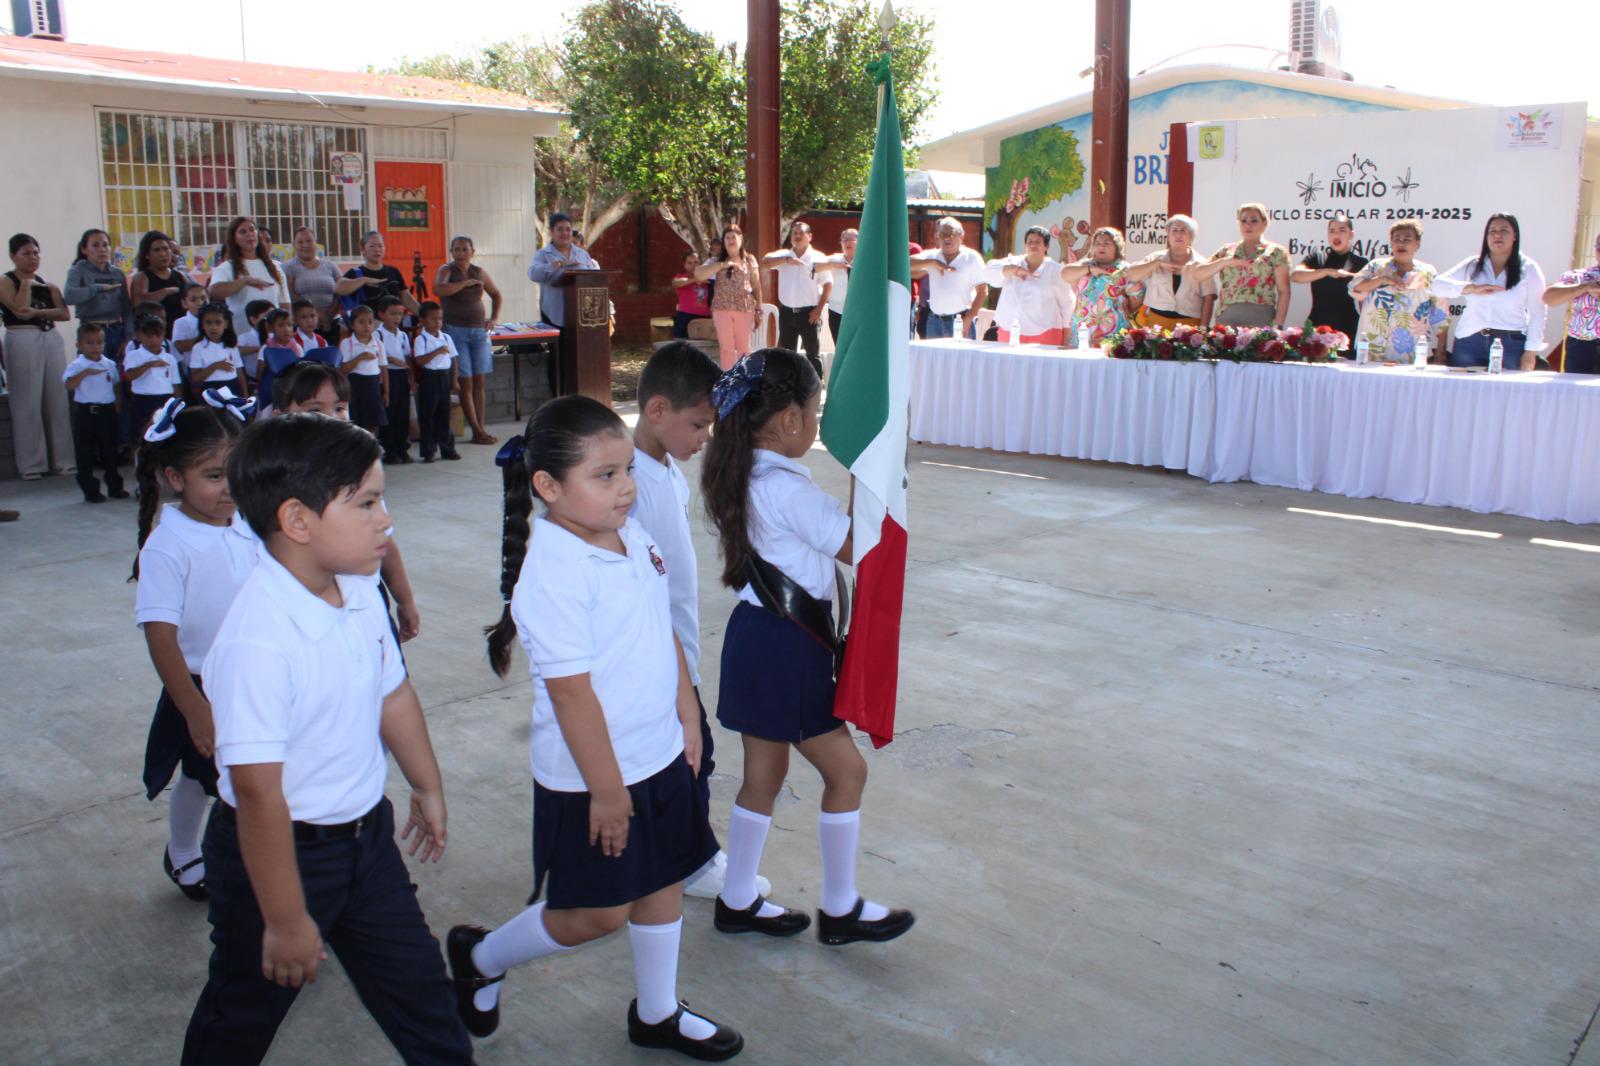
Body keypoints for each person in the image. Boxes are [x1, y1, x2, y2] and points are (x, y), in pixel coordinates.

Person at [450, 395, 744, 1061]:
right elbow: (574, 696)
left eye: (627, 471)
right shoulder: (552, 573)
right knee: (595, 914)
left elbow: (656, 621)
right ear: (549, 488)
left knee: (663, 877)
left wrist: (687, 710)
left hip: (659, 750)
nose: (626, 489)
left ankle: (658, 1011)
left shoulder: (627, 533)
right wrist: (607, 793)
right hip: (591, 776)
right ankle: (484, 955)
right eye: (605, 476)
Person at [180, 413, 472, 1065]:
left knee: (425, 1002)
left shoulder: (362, 587)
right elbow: (258, 797)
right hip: (277, 860)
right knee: (242, 1015)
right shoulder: (257, 641)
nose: (385, 521)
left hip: (366, 842)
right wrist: (284, 919)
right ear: (297, 521)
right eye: (367, 503)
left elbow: (391, 692)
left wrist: (426, 785)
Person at [699, 349, 915, 948]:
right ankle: (841, 906)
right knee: (847, 772)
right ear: (789, 420)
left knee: (762, 776)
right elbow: (858, 548)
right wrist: (869, 471)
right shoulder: (787, 491)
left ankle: (738, 896)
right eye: (816, 410)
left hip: (756, 638)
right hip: (790, 647)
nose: (818, 420)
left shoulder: (744, 472)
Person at [629, 342, 766, 902]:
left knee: (691, 759)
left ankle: (688, 854)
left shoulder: (665, 468)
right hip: (655, 660)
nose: (704, 437)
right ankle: (694, 861)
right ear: (657, 410)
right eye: (698, 424)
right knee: (692, 758)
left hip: (679, 648)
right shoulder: (623, 484)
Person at [131, 396, 252, 903]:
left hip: (252, 675)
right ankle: (183, 850)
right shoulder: (167, 546)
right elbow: (160, 636)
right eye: (214, 476)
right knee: (203, 779)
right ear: (175, 478)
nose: (229, 489)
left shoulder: (247, 522)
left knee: (252, 775)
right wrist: (194, 708)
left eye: (236, 473)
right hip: (201, 686)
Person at [1434, 213, 1548, 370]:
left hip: (1510, 343)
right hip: (1469, 341)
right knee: (1466, 392)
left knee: (1506, 393)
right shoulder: (1473, 264)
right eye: (1492, 231)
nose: (1497, 235)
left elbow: (1538, 311)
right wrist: (1470, 288)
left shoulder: (1528, 268)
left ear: (1515, 235)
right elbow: (1437, 285)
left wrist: (1531, 351)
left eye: (1504, 230)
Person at [2, 233, 74, 479]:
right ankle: (32, 464)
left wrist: (37, 308)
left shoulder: (46, 283)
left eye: (35, 253)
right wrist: (25, 283)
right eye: (26, 254)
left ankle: (63, 459)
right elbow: (19, 309)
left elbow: (63, 314)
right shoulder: (6, 281)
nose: (33, 258)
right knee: (27, 402)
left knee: (56, 399)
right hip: (22, 338)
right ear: (13, 256)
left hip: (48, 336)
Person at [434, 235, 502, 446]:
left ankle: (479, 430)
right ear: (451, 252)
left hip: (478, 332)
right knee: (466, 382)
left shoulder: (479, 272)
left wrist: (494, 318)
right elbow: (439, 289)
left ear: (473, 252)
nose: (460, 253)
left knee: (480, 382)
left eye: (465, 249)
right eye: (456, 249)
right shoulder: (447, 270)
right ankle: (477, 429)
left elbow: (496, 294)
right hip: (456, 332)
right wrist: (463, 284)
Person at [1347, 219, 1446, 362]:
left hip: (1410, 351)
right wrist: (1381, 280)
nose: (1401, 243)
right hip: (1372, 349)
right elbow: (1353, 287)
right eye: (1396, 239)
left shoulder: (1428, 272)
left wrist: (1440, 352)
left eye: (1407, 239)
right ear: (1391, 242)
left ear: (1417, 244)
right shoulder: (1376, 266)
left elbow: (1441, 316)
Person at [1191, 203, 1291, 328]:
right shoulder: (1227, 250)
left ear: (1265, 223)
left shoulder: (1276, 252)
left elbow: (1284, 291)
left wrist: (1278, 325)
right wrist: (1226, 261)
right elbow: (1198, 274)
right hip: (1227, 319)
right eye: (1243, 221)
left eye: (1254, 221)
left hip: (1261, 319)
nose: (1248, 225)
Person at [60, 322, 127, 502]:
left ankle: (115, 487)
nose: (95, 347)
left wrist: (117, 407)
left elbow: (116, 386)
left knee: (110, 452)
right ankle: (91, 490)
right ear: (79, 346)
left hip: (106, 412)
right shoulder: (77, 365)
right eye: (89, 343)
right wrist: (85, 373)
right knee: (85, 453)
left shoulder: (109, 364)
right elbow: (68, 385)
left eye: (99, 342)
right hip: (86, 412)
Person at [984, 225, 1076, 345]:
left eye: (1037, 242)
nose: (1033, 244)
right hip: (1009, 330)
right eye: (1029, 241)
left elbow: (1067, 303)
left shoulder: (1056, 270)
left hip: (1046, 333)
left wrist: (1067, 335)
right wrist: (1015, 270)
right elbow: (988, 272)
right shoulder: (1013, 262)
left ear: (1046, 246)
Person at [762, 221, 831, 376]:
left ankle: (815, 389)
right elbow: (765, 262)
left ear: (810, 236)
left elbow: (828, 285)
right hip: (786, 312)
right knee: (786, 354)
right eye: (795, 233)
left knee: (812, 354)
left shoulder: (818, 257)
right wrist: (786, 260)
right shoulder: (784, 256)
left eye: (801, 233)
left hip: (809, 313)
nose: (797, 236)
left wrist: (818, 310)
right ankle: (788, 387)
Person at [1291, 213, 1367, 353]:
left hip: (1348, 328)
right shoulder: (1317, 257)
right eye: (1331, 231)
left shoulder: (1361, 263)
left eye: (1341, 230)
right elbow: (1296, 276)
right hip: (1317, 325)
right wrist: (1327, 271)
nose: (1336, 235)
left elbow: (1365, 301)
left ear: (1351, 234)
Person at [1123, 215, 1211, 330]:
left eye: (1183, 230)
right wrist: (1156, 264)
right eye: (1174, 230)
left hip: (1189, 326)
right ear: (1168, 235)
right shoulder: (1155, 257)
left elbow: (1208, 297)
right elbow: (1131, 275)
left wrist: (1203, 328)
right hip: (1157, 324)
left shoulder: (1201, 263)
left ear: (1191, 236)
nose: (1178, 234)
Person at [697, 224, 765, 371]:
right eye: (727, 237)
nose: (730, 240)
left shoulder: (749, 260)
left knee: (744, 349)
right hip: (722, 309)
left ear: (741, 239)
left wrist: (759, 308)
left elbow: (756, 285)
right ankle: (727, 382)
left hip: (744, 309)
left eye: (734, 236)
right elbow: (698, 274)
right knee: (726, 349)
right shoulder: (716, 261)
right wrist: (723, 265)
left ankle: (743, 381)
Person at [207, 218, 289, 337]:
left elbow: (285, 303)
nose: (249, 234)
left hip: (273, 339)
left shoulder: (275, 266)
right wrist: (245, 281)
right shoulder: (227, 267)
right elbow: (214, 292)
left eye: (252, 229)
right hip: (241, 337)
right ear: (234, 238)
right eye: (243, 232)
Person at [1061, 227, 1140, 345]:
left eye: (1106, 243)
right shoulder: (1085, 265)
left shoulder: (1125, 270)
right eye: (1097, 243)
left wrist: (1122, 309)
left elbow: (1138, 297)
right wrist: (1090, 269)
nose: (1101, 247)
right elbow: (1064, 274)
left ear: (1117, 247)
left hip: (1114, 333)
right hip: (1083, 332)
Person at [910, 218, 987, 339]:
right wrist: (932, 263)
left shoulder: (971, 257)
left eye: (951, 234)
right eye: (942, 234)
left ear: (961, 237)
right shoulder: (932, 255)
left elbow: (983, 291)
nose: (947, 238)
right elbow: (905, 263)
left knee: (962, 359)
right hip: (934, 322)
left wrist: (969, 318)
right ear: (937, 237)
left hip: (960, 321)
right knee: (934, 359)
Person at [65, 228, 133, 363]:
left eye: (105, 245)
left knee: (116, 376)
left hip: (116, 329)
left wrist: (128, 337)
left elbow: (126, 308)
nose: (102, 249)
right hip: (91, 331)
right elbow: (69, 296)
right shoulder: (78, 270)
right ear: (84, 249)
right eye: (95, 245)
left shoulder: (117, 273)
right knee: (93, 374)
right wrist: (97, 288)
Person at [527, 213, 600, 330]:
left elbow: (593, 277)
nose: (564, 233)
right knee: (559, 348)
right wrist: (554, 266)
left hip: (582, 314)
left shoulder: (582, 254)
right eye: (560, 229)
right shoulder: (543, 254)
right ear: (552, 231)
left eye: (568, 229)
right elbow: (533, 274)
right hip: (553, 314)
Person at [410, 301, 461, 463]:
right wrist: (437, 351)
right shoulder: (421, 339)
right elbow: (420, 361)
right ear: (423, 320)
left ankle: (448, 449)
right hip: (429, 378)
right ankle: (428, 450)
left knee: (444, 415)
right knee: (428, 415)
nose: (437, 322)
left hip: (444, 377)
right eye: (433, 319)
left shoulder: (446, 337)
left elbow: (453, 360)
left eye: (440, 319)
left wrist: (454, 381)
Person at [1544, 232, 1600, 374]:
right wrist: (1585, 287)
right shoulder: (1580, 276)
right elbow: (1549, 297)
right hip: (1581, 346)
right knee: (1578, 394)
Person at [335, 230, 419, 322]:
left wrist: (423, 315)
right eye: (372, 246)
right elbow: (339, 288)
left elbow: (406, 298)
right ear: (363, 249)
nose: (377, 249)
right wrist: (363, 280)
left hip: (392, 327)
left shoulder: (393, 271)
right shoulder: (356, 273)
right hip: (369, 328)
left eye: (380, 245)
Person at [124, 315, 184, 437]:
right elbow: (130, 376)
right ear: (140, 336)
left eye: (158, 335)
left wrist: (178, 404)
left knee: (166, 435)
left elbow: (176, 384)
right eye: (149, 336)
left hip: (165, 400)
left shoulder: (170, 359)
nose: (154, 340)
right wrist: (149, 364)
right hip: (143, 400)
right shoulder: (133, 355)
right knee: (140, 435)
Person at [282, 227, 343, 344]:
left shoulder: (330, 266)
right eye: (300, 242)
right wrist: (316, 315)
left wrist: (329, 314)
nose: (305, 245)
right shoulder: (288, 267)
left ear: (316, 243)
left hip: (330, 324)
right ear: (293, 244)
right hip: (302, 325)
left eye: (309, 241)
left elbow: (341, 291)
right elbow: (290, 295)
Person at [374, 296, 413, 464]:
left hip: (401, 376)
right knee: (388, 414)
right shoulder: (377, 334)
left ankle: (402, 448)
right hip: (386, 375)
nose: (397, 318)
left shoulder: (403, 335)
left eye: (400, 314)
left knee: (402, 414)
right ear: (382, 315)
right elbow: (376, 356)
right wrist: (391, 359)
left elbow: (407, 357)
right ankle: (389, 451)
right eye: (392, 314)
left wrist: (411, 378)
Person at [130, 230, 192, 335]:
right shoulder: (142, 277)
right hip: (154, 335)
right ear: (147, 255)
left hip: (179, 333)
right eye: (157, 250)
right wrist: (165, 291)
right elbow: (139, 302)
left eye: (166, 249)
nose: (163, 254)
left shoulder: (180, 276)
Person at [338, 304, 387, 435]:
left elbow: (383, 368)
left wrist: (386, 392)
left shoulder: (378, 343)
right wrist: (360, 357)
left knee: (373, 422)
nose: (367, 326)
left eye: (370, 322)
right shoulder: (347, 343)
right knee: (356, 423)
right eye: (361, 322)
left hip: (373, 385)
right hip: (356, 385)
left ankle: (372, 450)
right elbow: (343, 369)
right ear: (353, 325)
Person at [189, 303, 247, 398]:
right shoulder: (198, 348)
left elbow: (240, 374)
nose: (213, 327)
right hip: (211, 390)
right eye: (208, 323)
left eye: (218, 322)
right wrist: (215, 366)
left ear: (226, 324)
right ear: (202, 325)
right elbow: (195, 378)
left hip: (232, 387)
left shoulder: (232, 346)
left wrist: (245, 397)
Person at [812, 229, 857, 346]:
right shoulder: (834, 259)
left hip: (858, 311)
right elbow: (813, 267)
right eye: (844, 240)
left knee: (857, 346)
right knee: (840, 346)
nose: (847, 243)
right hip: (837, 310)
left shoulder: (866, 261)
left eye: (851, 240)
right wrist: (832, 265)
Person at [670, 252, 713, 339]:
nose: (693, 266)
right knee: (681, 345)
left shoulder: (709, 279)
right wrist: (695, 279)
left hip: (705, 317)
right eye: (689, 263)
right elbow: (675, 283)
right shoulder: (681, 277)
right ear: (684, 265)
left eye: (696, 262)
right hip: (685, 317)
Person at [234, 300, 275, 387]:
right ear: (253, 319)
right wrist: (261, 348)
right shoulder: (244, 337)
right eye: (268, 316)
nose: (272, 320)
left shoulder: (275, 336)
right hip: (253, 382)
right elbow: (235, 351)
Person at [172, 283, 208, 358]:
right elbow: (179, 346)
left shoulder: (218, 319)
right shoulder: (181, 322)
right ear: (184, 303)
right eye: (193, 300)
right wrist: (204, 336)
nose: (199, 303)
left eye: (203, 298)